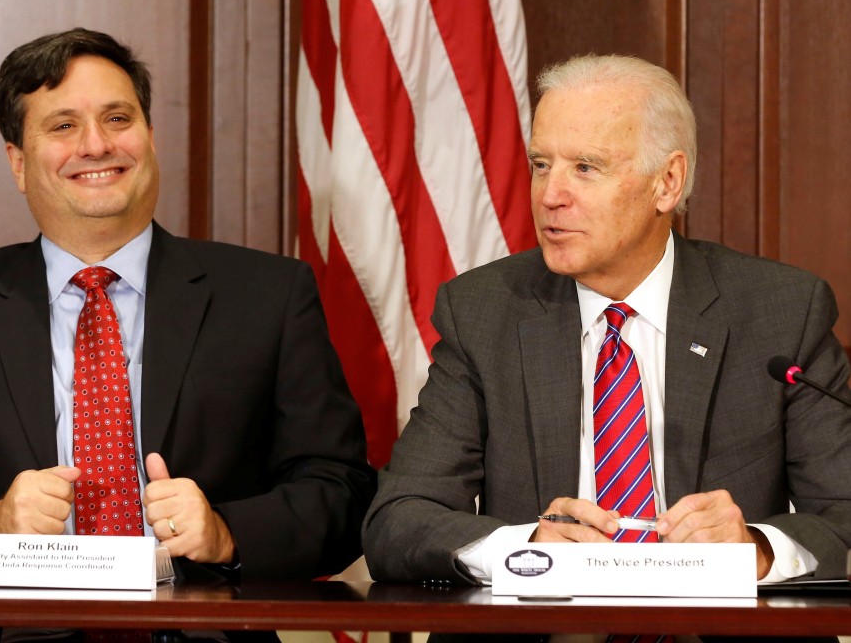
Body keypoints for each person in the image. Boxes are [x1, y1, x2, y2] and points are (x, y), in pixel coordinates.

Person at [0, 27, 376, 641]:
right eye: (62, 126)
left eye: (118, 118)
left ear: (149, 136)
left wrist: (225, 532)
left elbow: (342, 490)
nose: (96, 145)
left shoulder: (267, 296)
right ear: (17, 161)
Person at [362, 54, 851, 641]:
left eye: (586, 168)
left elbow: (844, 513)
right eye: (542, 165)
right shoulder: (485, 310)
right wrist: (526, 550)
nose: (550, 195)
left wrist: (758, 551)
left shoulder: (779, 311)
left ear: (666, 183)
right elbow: (396, 520)